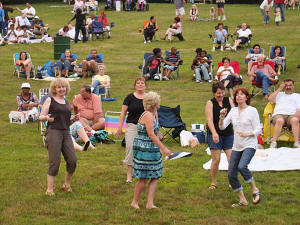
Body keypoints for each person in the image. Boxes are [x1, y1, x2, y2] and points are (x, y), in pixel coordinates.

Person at [219, 88, 261, 207]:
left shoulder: (252, 110)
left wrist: (248, 134)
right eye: (237, 95)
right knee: (231, 174)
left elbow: (258, 129)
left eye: (242, 94)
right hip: (237, 146)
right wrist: (221, 117)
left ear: (247, 97)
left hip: (250, 144)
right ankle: (242, 200)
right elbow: (222, 127)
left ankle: (255, 190)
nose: (239, 96)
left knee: (242, 166)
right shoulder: (233, 111)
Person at [131, 91, 172, 209]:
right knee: (143, 177)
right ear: (155, 103)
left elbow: (155, 132)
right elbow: (151, 134)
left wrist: (159, 134)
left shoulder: (154, 113)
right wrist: (163, 148)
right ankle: (134, 202)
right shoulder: (148, 115)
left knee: (155, 175)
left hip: (152, 148)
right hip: (145, 149)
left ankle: (150, 203)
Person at [39, 78, 77, 196]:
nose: (62, 89)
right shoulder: (50, 100)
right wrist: (46, 118)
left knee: (72, 160)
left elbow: (66, 121)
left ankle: (66, 184)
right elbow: (41, 116)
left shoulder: (66, 102)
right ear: (54, 89)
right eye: (59, 87)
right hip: (53, 132)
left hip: (65, 132)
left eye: (63, 87)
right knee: (55, 161)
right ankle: (49, 190)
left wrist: (73, 119)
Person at [115, 77, 146, 183]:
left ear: (145, 85)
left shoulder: (149, 98)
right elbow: (123, 113)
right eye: (138, 83)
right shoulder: (129, 97)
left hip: (146, 127)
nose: (140, 84)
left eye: (142, 83)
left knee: (145, 150)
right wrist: (119, 127)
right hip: (132, 126)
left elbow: (154, 113)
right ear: (135, 85)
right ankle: (129, 176)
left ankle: (143, 173)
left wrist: (157, 128)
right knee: (130, 149)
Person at [205, 82, 234, 190]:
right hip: (215, 133)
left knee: (231, 158)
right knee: (216, 159)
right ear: (213, 93)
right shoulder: (210, 103)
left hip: (228, 133)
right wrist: (214, 133)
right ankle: (213, 182)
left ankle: (232, 181)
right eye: (218, 93)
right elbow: (209, 120)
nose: (220, 95)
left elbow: (234, 114)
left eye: (222, 93)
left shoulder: (229, 100)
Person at [268, 79, 300, 148]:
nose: (288, 87)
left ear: (293, 86)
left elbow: (299, 109)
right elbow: (270, 99)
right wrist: (279, 88)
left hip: (291, 115)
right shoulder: (279, 94)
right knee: (280, 120)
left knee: (295, 120)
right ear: (283, 86)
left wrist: (296, 115)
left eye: (290, 85)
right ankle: (274, 142)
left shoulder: (297, 96)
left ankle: (296, 142)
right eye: (286, 85)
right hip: (278, 115)